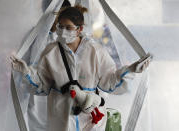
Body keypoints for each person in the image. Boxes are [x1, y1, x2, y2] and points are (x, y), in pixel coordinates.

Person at [10, 5, 150, 131]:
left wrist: (131, 69)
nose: (63, 31)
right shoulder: (51, 52)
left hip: (90, 120)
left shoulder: (95, 51)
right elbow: (42, 85)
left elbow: (110, 82)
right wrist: (26, 72)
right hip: (61, 120)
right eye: (60, 26)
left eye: (68, 27)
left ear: (79, 29)